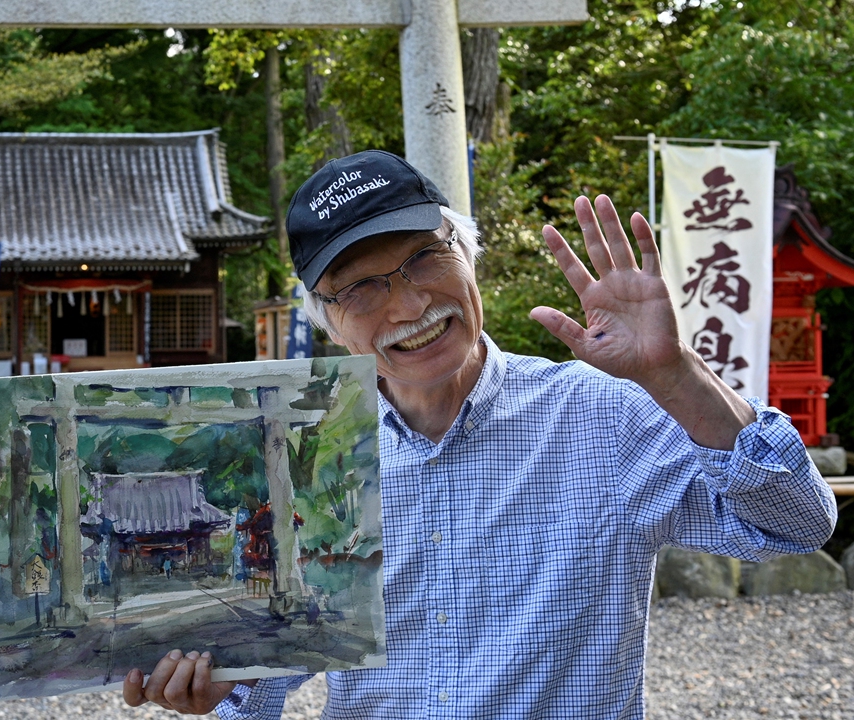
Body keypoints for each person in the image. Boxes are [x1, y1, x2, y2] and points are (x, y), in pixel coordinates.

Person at [121, 151, 837, 718]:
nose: (408, 304)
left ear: (468, 255)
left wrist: (676, 375)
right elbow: (265, 679)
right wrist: (215, 687)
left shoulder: (604, 416)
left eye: (424, 259)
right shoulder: (304, 461)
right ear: (328, 321)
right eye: (361, 288)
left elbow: (798, 524)